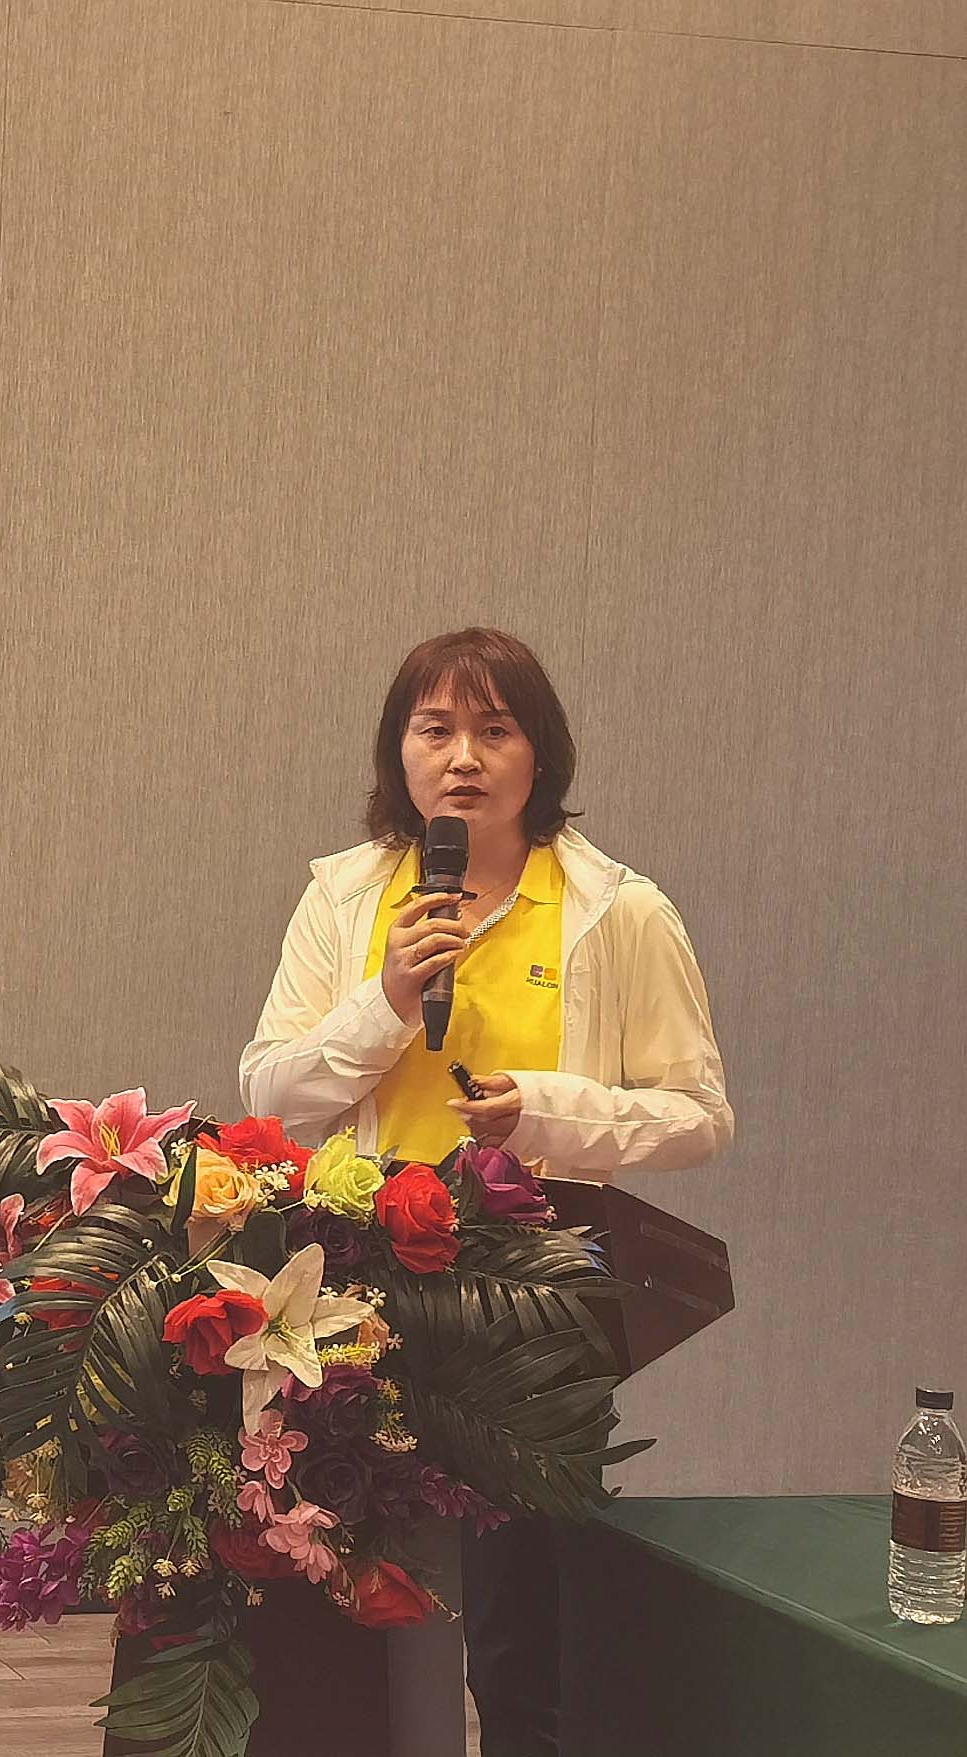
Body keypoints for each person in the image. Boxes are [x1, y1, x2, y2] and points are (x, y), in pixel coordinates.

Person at [239, 627, 733, 1757]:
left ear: (538, 754)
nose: (463, 756)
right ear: (400, 753)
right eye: (437, 729)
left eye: (494, 729)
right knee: (351, 1589)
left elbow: (699, 1114)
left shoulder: (618, 909)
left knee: (526, 1623)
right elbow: (271, 1090)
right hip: (360, 1290)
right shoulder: (346, 898)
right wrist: (386, 998)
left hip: (537, 1301)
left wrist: (545, 1112)